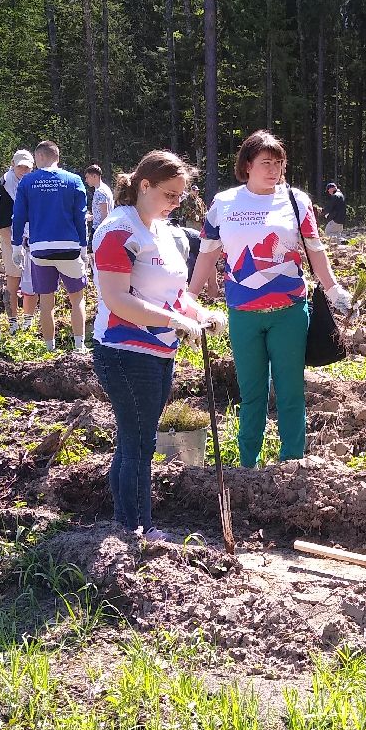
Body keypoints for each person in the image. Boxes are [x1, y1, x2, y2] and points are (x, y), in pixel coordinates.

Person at [188, 129, 352, 467]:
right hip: (243, 313)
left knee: (290, 391)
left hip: (289, 311)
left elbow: (315, 250)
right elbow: (207, 254)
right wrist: (188, 299)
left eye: (279, 163)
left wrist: (335, 291)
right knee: (252, 395)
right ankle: (248, 465)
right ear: (247, 165)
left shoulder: (297, 201)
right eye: (266, 163)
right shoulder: (224, 203)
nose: (274, 170)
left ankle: (292, 460)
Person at [92, 151, 222, 530]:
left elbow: (171, 291)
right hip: (125, 352)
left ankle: (126, 522)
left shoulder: (162, 230)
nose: (175, 203)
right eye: (169, 195)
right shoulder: (119, 231)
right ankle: (137, 529)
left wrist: (199, 314)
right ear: (144, 185)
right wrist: (176, 320)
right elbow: (117, 300)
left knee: (135, 438)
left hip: (160, 350)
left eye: (180, 196)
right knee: (139, 443)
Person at [12, 141, 90, 352]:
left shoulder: (27, 182)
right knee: (77, 300)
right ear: (57, 157)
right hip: (70, 248)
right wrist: (84, 248)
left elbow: (18, 216)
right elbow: (80, 217)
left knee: (46, 303)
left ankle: (49, 349)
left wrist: (16, 246)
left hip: (40, 249)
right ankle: (79, 347)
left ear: (39, 157)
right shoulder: (74, 180)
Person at [0, 150, 34, 330]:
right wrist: (16, 245)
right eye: (20, 166)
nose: (23, 170)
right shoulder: (2, 186)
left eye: (27, 167)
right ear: (13, 164)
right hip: (12, 239)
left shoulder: (33, 184)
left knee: (32, 283)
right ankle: (13, 323)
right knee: (13, 281)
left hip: (34, 239)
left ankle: (28, 323)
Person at [84, 163, 114, 247]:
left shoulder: (100, 191)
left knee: (93, 257)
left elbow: (105, 214)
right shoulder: (105, 188)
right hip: (101, 229)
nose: (86, 180)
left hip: (99, 230)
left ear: (94, 176)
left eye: (87, 177)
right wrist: (92, 217)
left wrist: (103, 234)